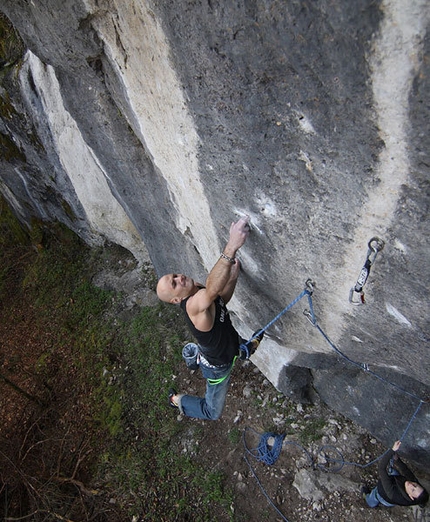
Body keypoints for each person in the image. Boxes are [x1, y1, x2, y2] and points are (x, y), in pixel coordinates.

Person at [156, 215, 263, 420]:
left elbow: (220, 300)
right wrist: (231, 246)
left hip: (222, 348)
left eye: (175, 275)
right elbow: (213, 292)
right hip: (216, 368)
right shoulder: (193, 306)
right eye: (174, 283)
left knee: (234, 347)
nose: (180, 278)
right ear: (176, 299)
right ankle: (176, 400)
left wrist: (232, 279)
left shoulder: (197, 291)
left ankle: (234, 351)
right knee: (212, 412)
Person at [362, 440, 429, 508]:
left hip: (382, 494)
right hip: (396, 483)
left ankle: (370, 502)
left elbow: (382, 468)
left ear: (410, 497)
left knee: (373, 497)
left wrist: (392, 451)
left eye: (412, 490)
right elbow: (405, 470)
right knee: (393, 472)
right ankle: (421, 502)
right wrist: (397, 459)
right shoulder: (413, 483)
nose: (411, 485)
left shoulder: (394, 494)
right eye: (415, 485)